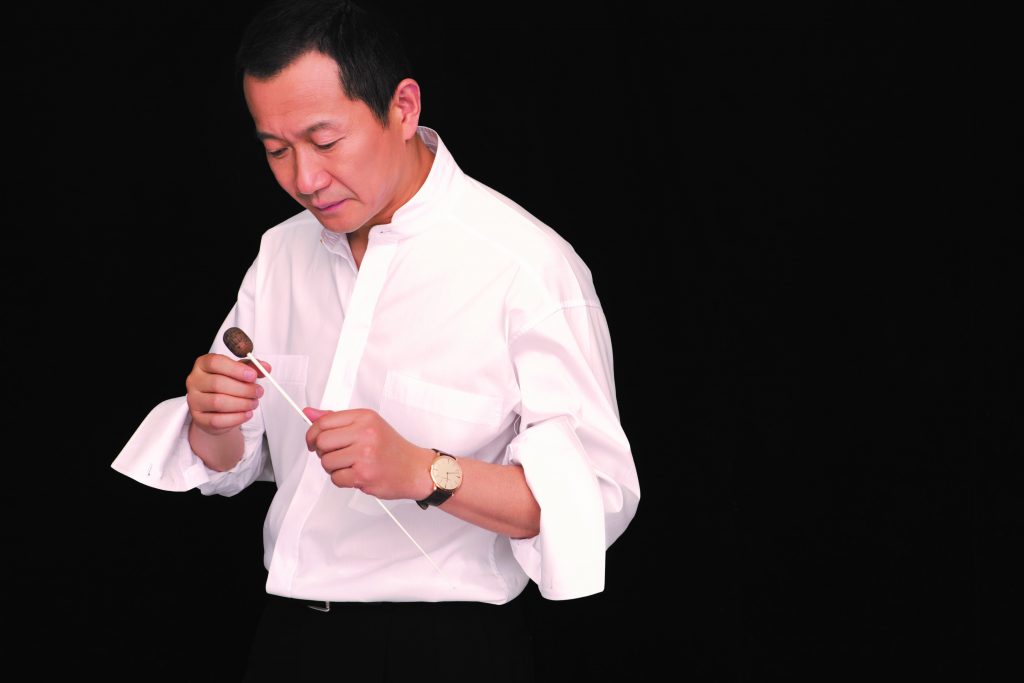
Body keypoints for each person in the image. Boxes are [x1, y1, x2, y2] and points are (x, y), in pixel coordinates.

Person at [112, 0, 640, 679]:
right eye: (276, 150)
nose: (304, 180)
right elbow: (232, 463)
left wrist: (425, 471)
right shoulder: (280, 253)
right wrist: (212, 420)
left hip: (447, 650)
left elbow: (595, 500)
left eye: (325, 142)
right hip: (287, 639)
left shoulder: (528, 268)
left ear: (404, 108)